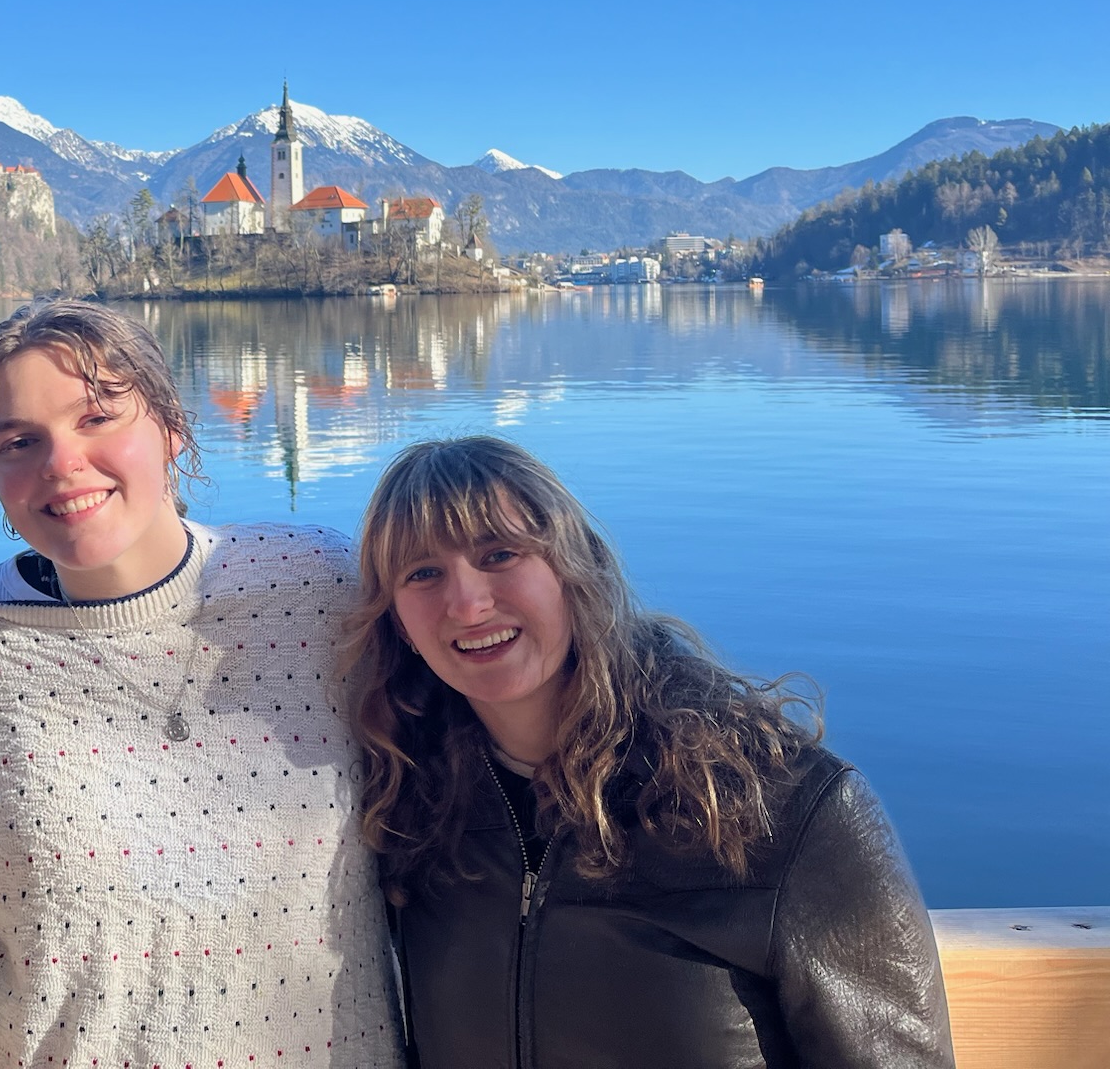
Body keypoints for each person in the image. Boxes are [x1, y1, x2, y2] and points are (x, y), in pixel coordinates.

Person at [0, 296, 403, 1069]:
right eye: (20, 441)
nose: (62, 462)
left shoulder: (320, 589)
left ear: (172, 427)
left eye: (97, 418)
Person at [348, 435, 955, 1068]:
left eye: (499, 554)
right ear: (399, 625)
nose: (468, 604)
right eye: (423, 573)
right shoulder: (410, 815)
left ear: (575, 572)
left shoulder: (783, 810)